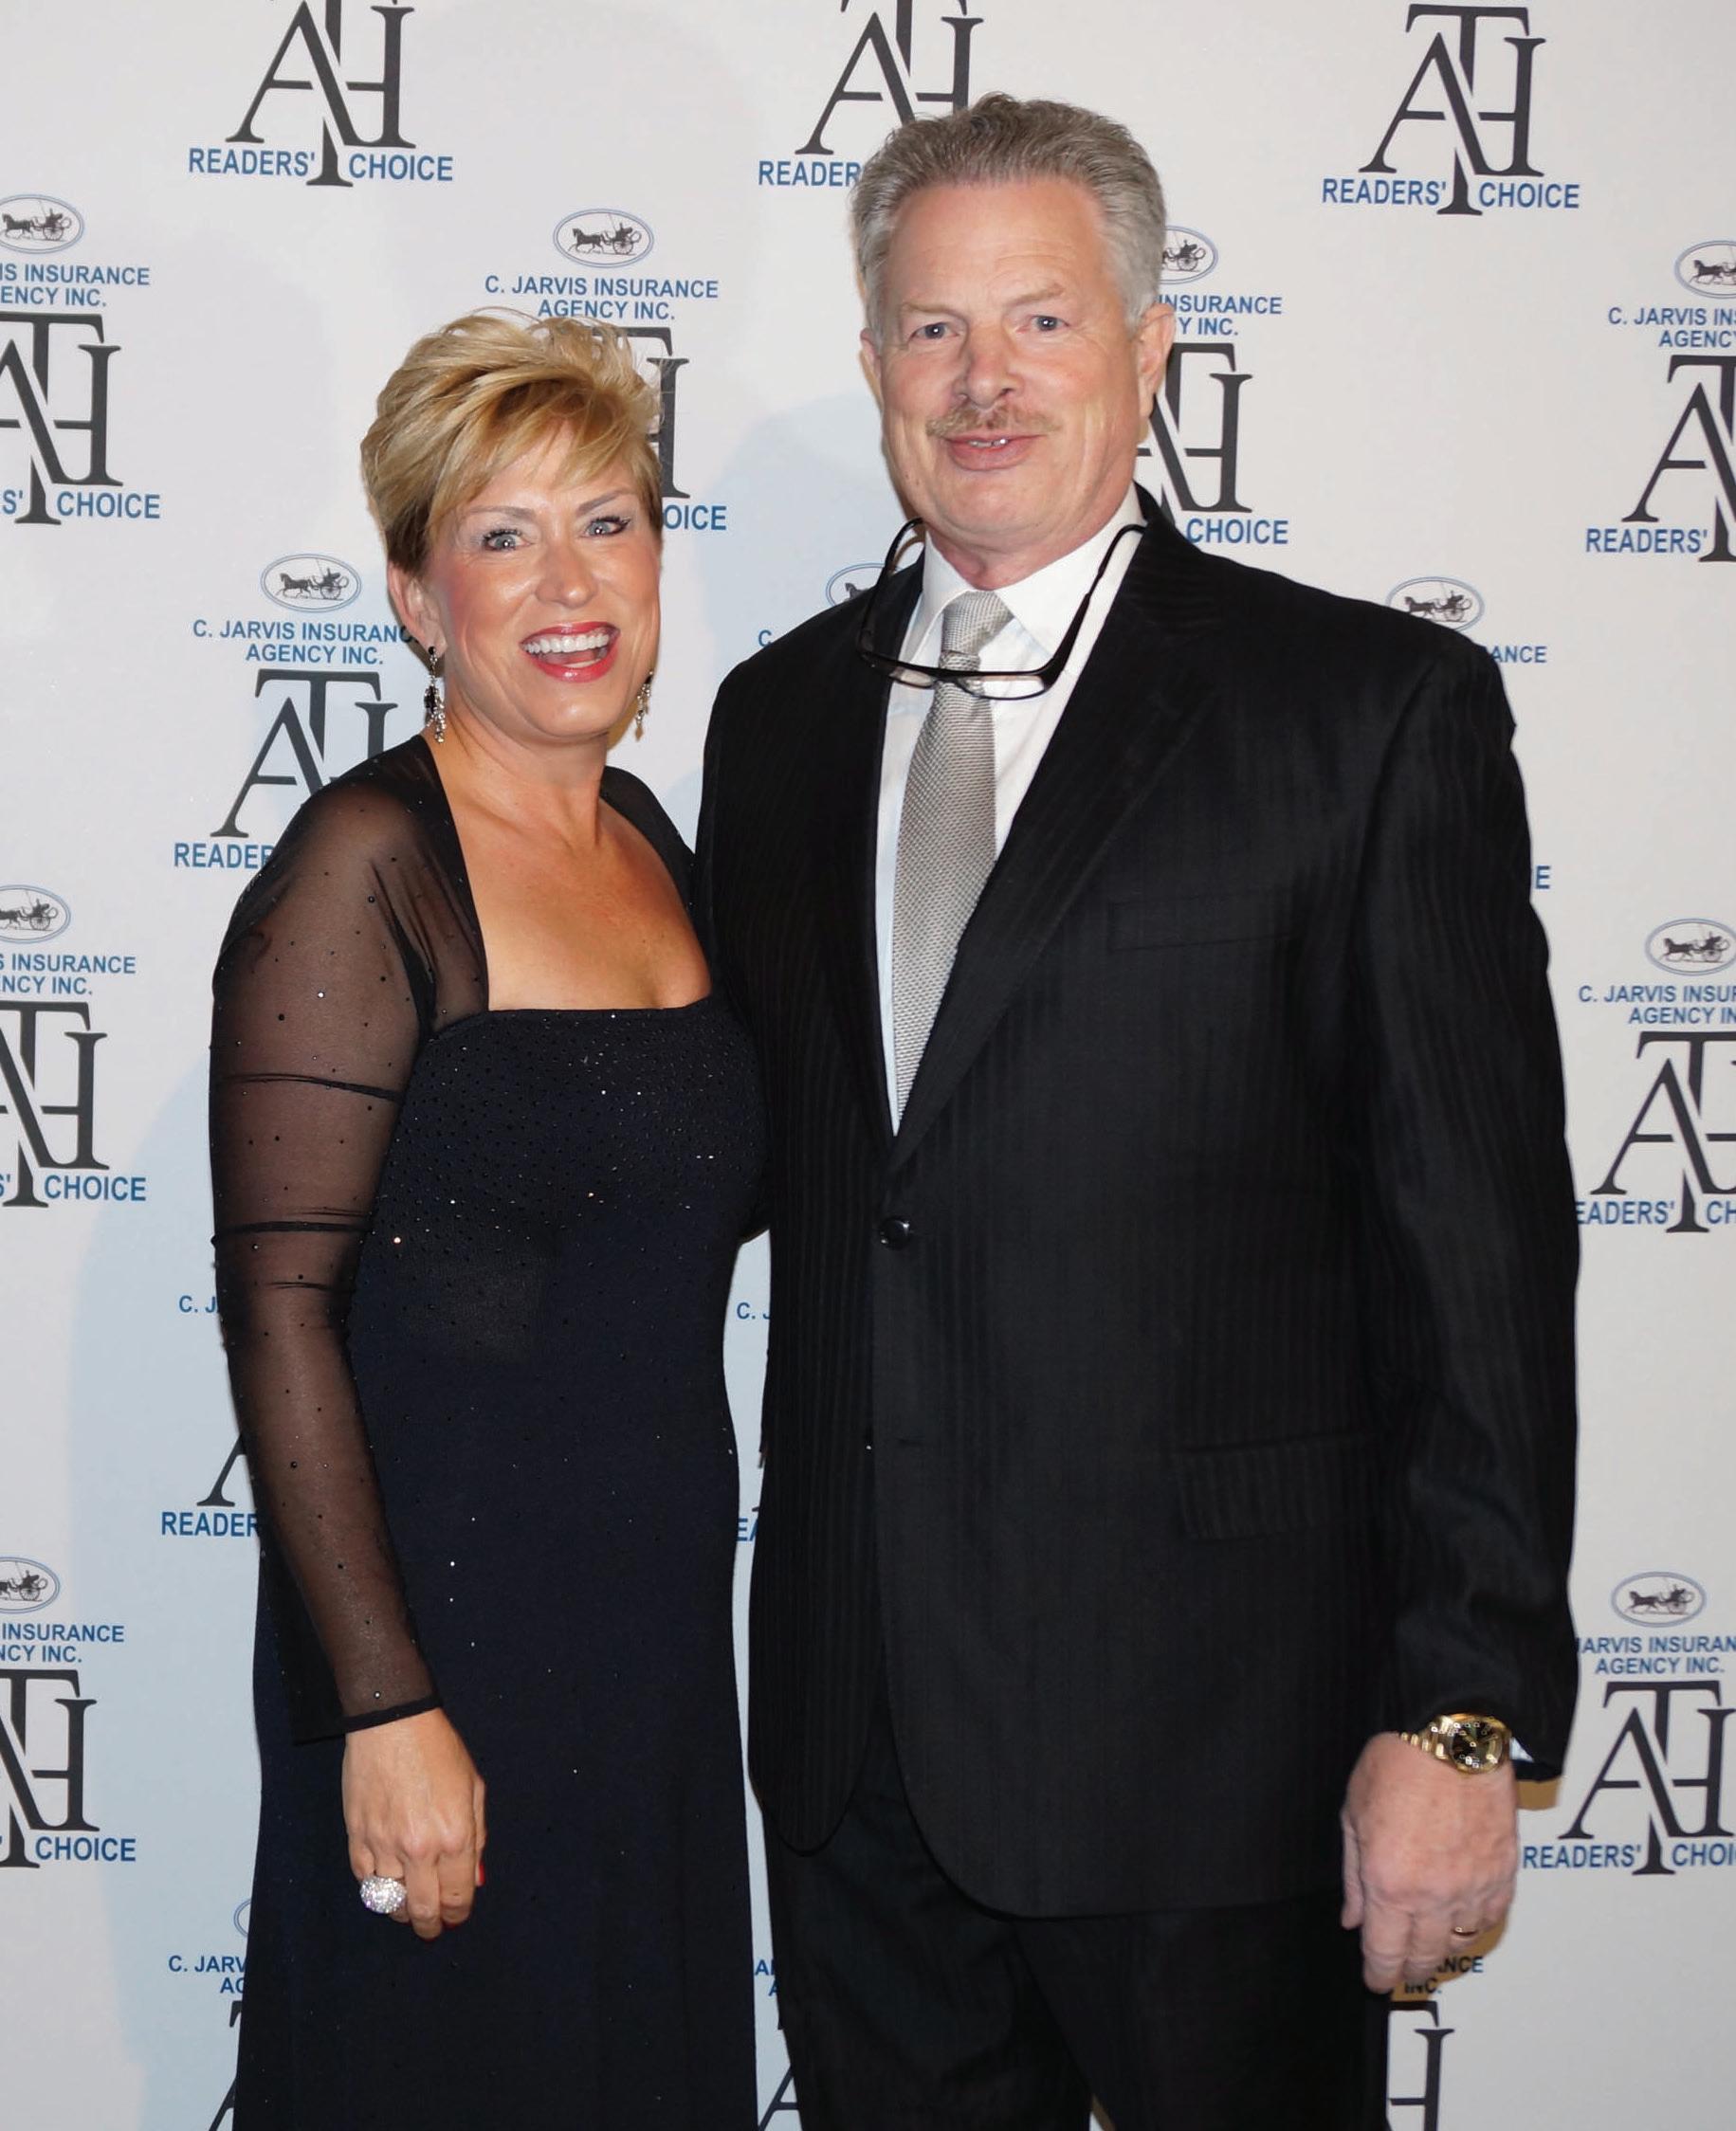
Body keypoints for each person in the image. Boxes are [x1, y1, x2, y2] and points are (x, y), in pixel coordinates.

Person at [696, 94, 1578, 2128]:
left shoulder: (1363, 714)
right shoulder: (777, 720)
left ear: (1152, 345)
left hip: (1221, 1761)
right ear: (872, 365)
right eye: (933, 330)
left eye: (1041, 321)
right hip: (855, 1760)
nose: (982, 381)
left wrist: (1460, 1708)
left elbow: (1475, 1255)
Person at [211, 311, 760, 2129]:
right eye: (502, 537)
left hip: (653, 1656)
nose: (568, 582)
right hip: (442, 1656)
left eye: (607, 522)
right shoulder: (365, 865)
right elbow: (282, 1312)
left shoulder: (655, 845)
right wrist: (384, 1710)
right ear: (417, 599)